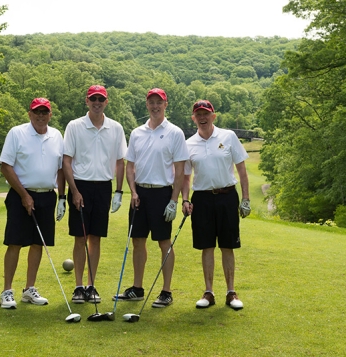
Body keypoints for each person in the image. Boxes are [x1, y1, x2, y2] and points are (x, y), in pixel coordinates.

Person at [114, 88, 189, 308]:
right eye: (151, 102)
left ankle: (166, 291)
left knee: (163, 242)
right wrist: (133, 191)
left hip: (162, 193)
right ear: (146, 105)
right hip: (140, 194)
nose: (155, 106)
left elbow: (180, 170)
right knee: (138, 241)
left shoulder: (175, 133)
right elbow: (130, 166)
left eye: (159, 102)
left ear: (166, 105)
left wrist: (174, 200)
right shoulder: (137, 132)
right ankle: (137, 288)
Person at [181, 99, 250, 310]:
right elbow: (185, 177)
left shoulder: (228, 136)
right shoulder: (188, 144)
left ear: (213, 116)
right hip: (201, 199)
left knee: (228, 245)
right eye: (198, 114)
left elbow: (241, 169)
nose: (202, 118)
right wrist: (185, 199)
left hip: (227, 196)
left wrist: (246, 198)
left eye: (206, 114)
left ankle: (231, 292)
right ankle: (209, 292)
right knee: (207, 245)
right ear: (193, 118)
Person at [0, 97, 66, 309]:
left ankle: (29, 290)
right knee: (15, 242)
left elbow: (61, 169)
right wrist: (24, 195)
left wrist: (62, 197)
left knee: (39, 244)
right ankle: (7, 291)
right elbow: (6, 166)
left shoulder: (56, 135)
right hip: (21, 195)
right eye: (37, 112)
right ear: (29, 114)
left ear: (50, 115)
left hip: (47, 196)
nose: (40, 115)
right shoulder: (17, 133)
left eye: (45, 112)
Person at [63, 85, 127, 304]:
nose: (97, 102)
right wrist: (73, 191)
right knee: (80, 237)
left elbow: (120, 161)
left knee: (96, 238)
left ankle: (91, 285)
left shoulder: (116, 128)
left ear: (106, 102)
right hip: (80, 185)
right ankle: (78, 287)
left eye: (101, 99)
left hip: (103, 187)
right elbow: (67, 161)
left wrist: (119, 191)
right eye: (93, 99)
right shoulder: (74, 126)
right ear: (87, 101)